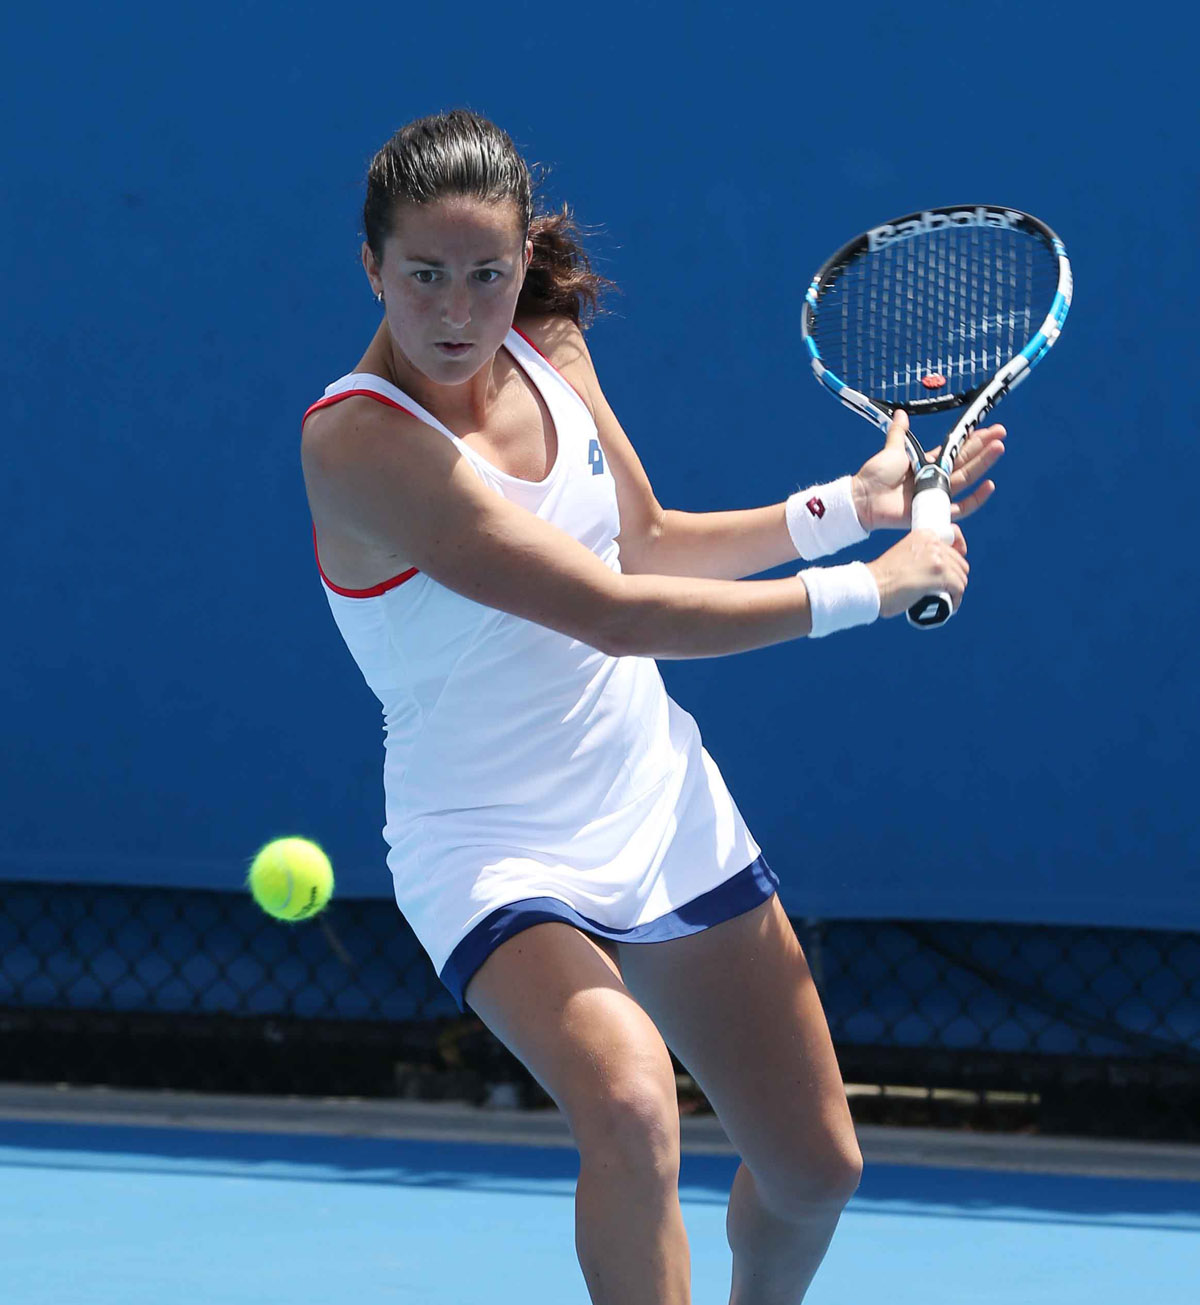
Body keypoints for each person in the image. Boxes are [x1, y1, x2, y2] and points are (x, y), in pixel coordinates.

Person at [300, 109, 1004, 1305]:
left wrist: (847, 511)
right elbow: (614, 612)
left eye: (487, 274)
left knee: (815, 1171)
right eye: (423, 276)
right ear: (371, 267)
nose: (457, 311)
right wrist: (870, 591)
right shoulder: (360, 444)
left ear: (525, 259)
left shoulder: (549, 344)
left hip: (653, 796)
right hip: (486, 843)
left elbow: (646, 543)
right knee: (629, 1102)